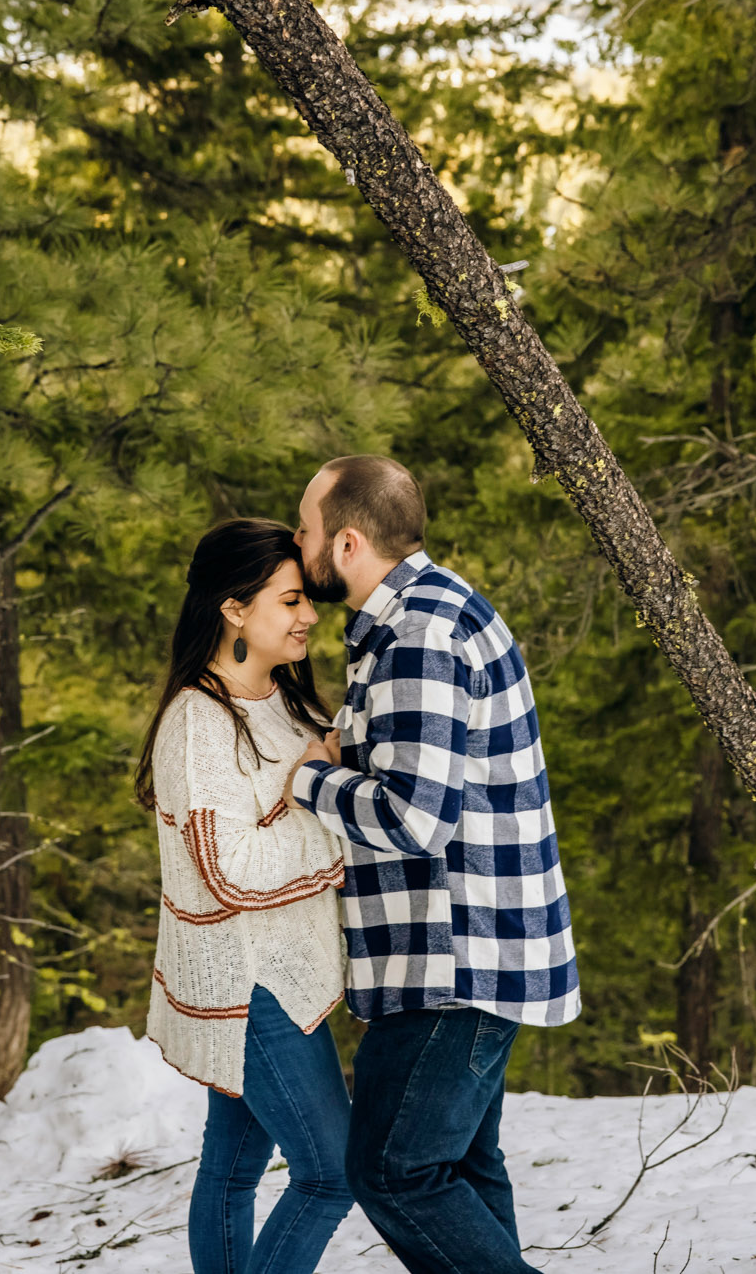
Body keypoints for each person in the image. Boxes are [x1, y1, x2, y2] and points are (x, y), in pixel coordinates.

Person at [286, 455, 581, 1274]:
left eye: (306, 530)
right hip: (462, 949)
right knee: (457, 1169)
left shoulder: (419, 632)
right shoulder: (420, 614)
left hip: (453, 957)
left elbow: (414, 819)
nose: (297, 544)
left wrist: (310, 778)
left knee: (395, 1172)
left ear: (347, 542)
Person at [137, 517, 354, 1274]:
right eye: (290, 600)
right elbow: (225, 871)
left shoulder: (288, 702)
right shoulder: (199, 724)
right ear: (234, 608)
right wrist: (326, 816)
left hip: (279, 971)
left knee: (231, 1168)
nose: (310, 616)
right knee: (332, 1173)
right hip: (247, 982)